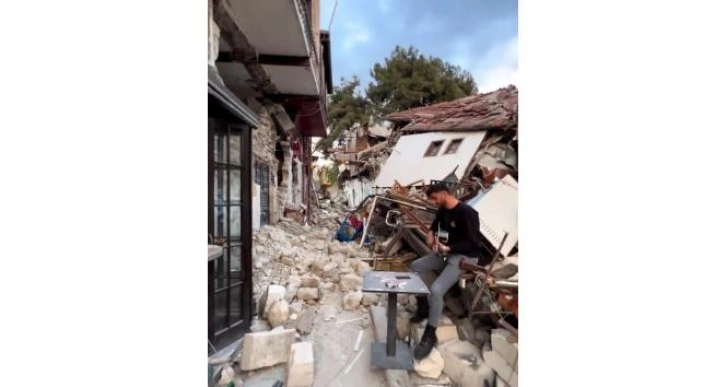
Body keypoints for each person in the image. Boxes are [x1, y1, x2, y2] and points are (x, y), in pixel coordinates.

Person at [410, 183, 481, 359]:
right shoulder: (443, 209)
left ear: (444, 193)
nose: (433, 202)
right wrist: (430, 234)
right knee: (415, 267)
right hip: (445, 253)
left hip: (464, 257)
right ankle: (424, 306)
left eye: (434, 198)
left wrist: (449, 248)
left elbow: (472, 242)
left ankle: (430, 334)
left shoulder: (467, 213)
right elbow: (435, 225)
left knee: (436, 289)